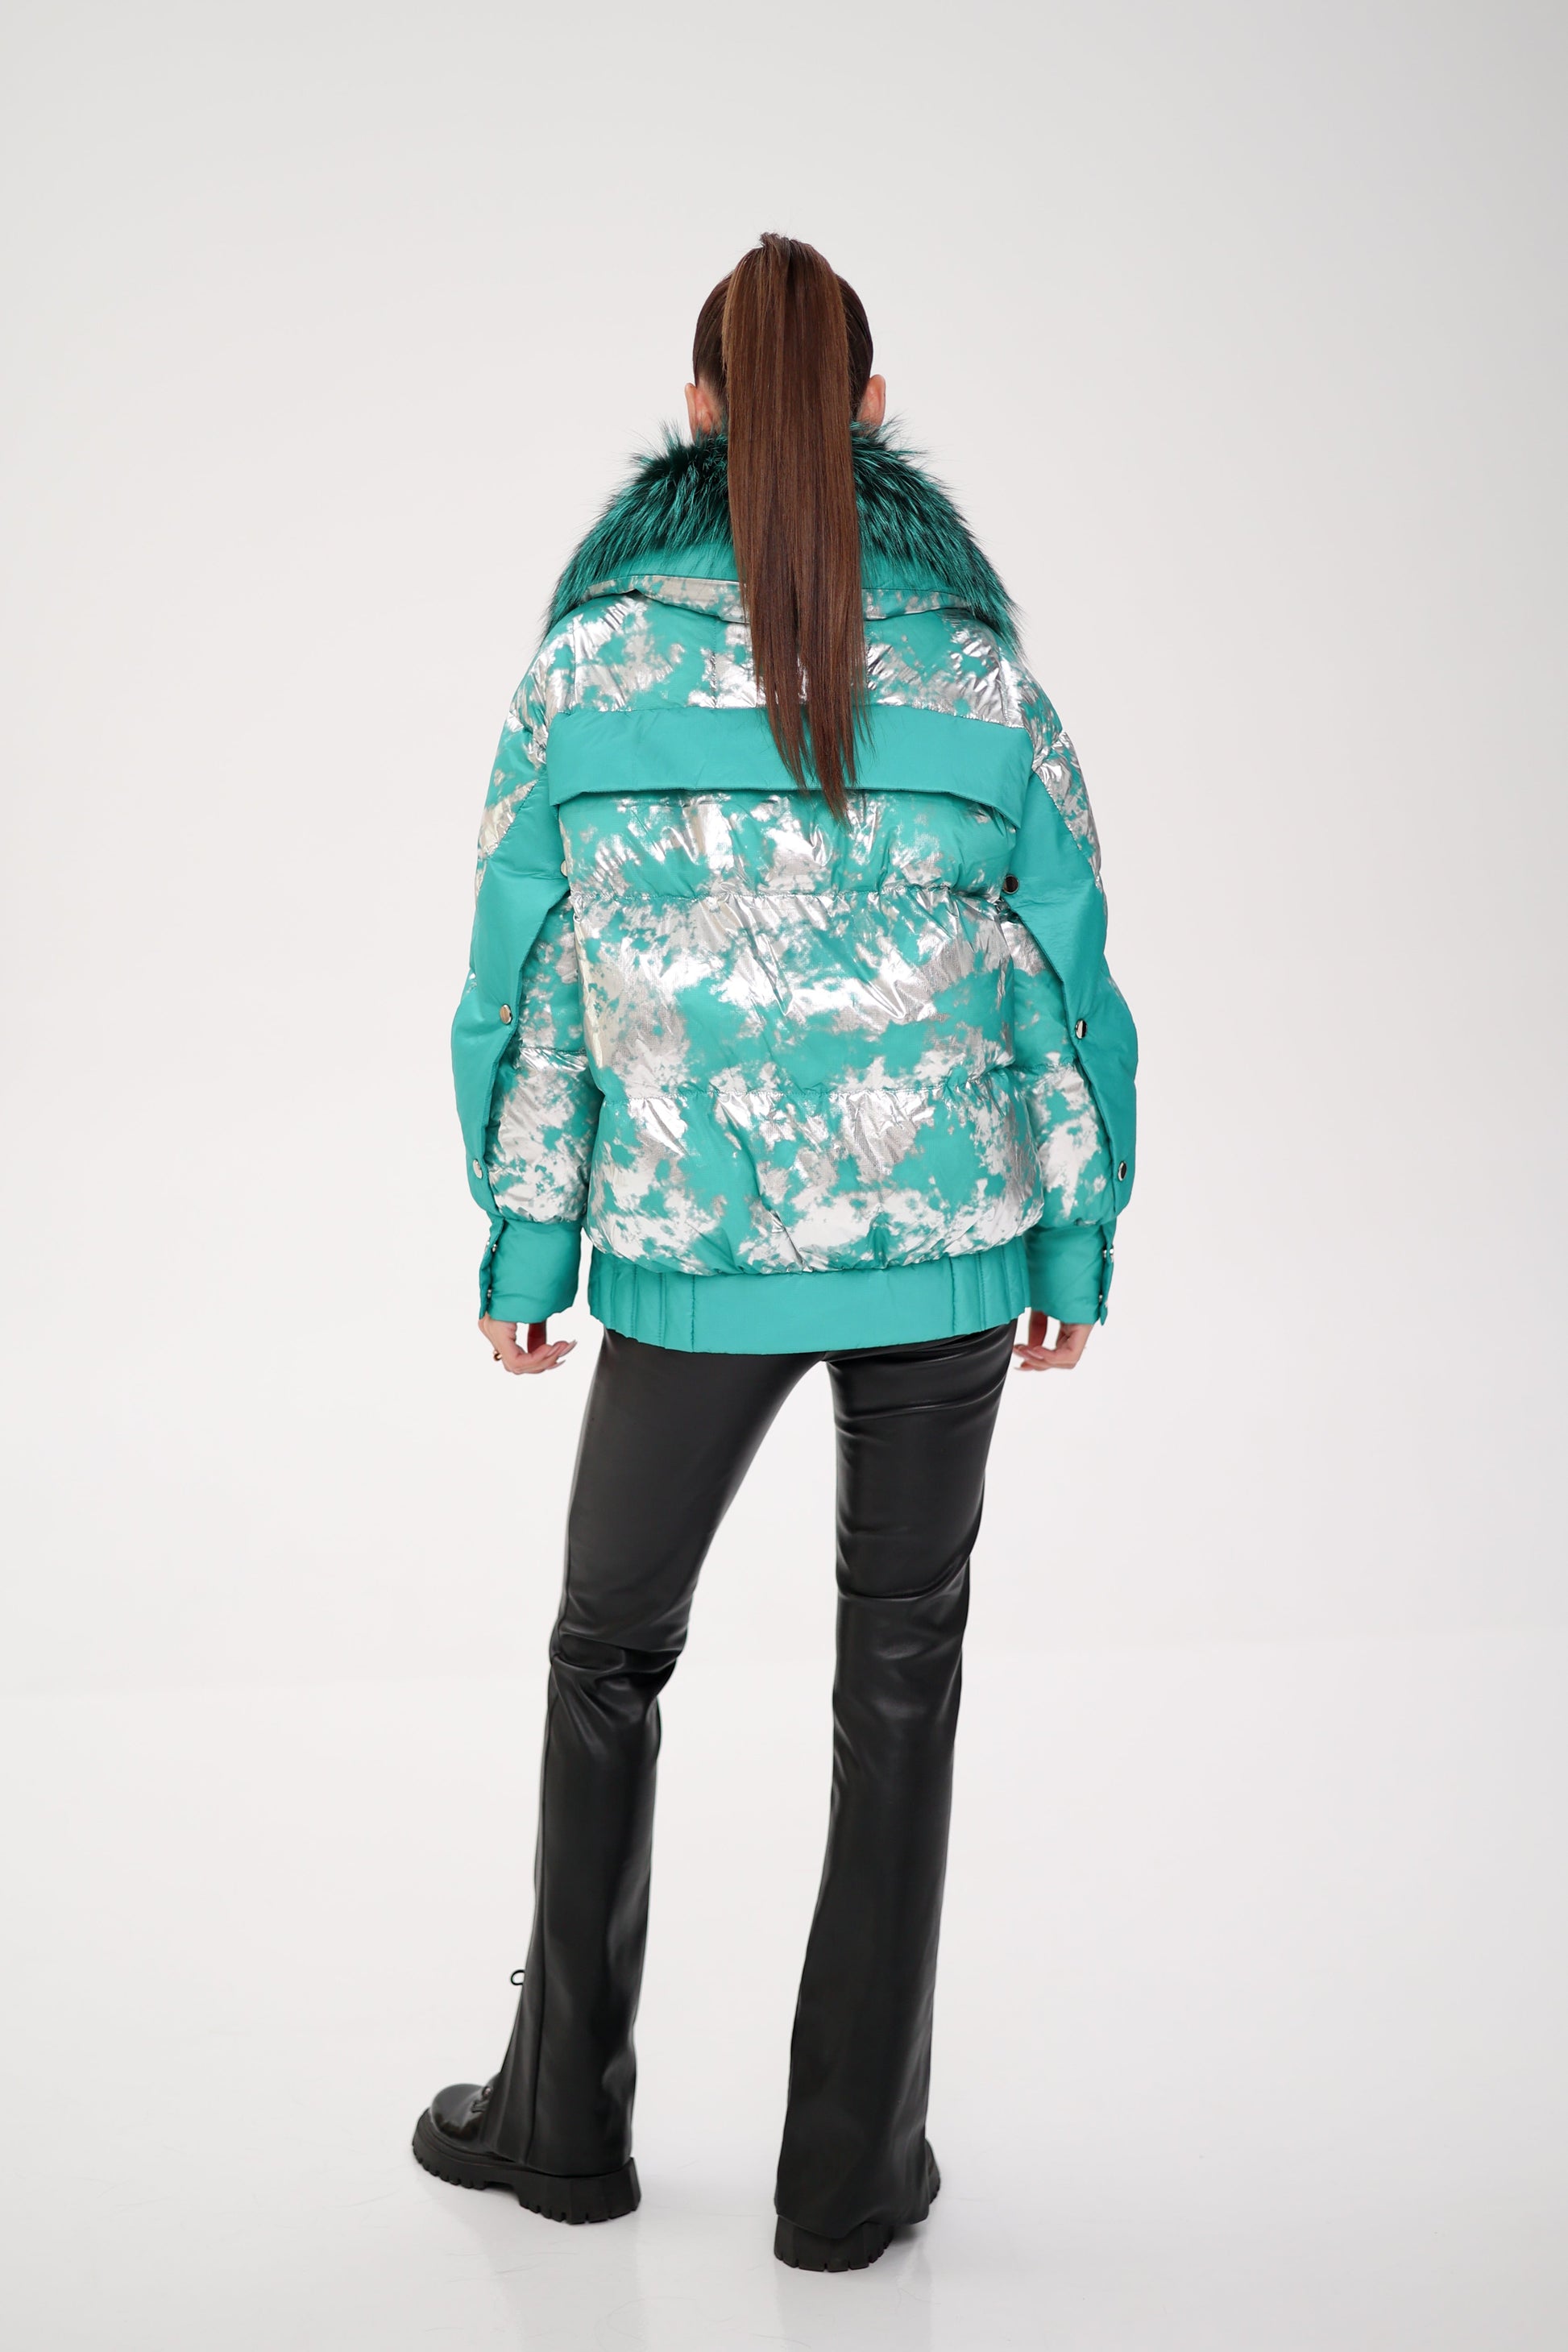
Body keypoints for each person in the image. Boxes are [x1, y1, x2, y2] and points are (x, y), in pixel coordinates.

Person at [413, 232, 1137, 2273]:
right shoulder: (979, 671)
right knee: (899, 1676)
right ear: (875, 413)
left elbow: (529, 981)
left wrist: (529, 1237)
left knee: (606, 1653)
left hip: (690, 1252)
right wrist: (1071, 1232)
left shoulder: (589, 665)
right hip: (946, 1253)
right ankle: (850, 2172)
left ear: (701, 414)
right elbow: (1060, 976)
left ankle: (562, 2119)